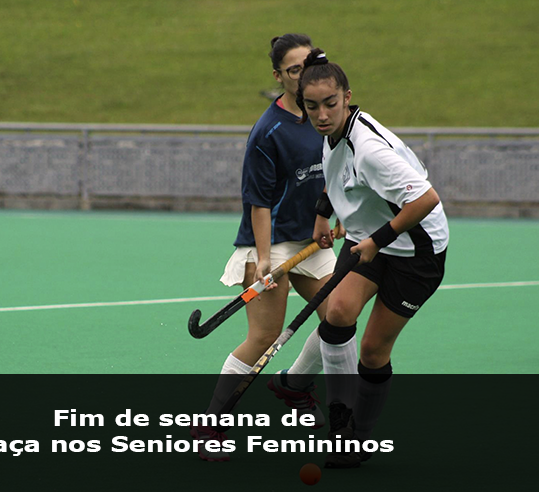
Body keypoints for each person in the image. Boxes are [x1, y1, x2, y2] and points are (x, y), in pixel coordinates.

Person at [293, 48, 449, 468]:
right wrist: (323, 213)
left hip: (415, 250)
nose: (321, 114)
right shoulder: (332, 132)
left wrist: (377, 241)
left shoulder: (369, 150)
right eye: (312, 106)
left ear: (347, 97)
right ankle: (340, 424)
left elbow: (426, 199)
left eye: (330, 103)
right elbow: (335, 173)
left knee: (373, 351)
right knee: (338, 313)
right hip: (371, 237)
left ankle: (360, 437)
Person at [191, 34, 341, 462]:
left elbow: (336, 172)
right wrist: (261, 261)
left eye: (308, 65)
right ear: (278, 76)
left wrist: (333, 216)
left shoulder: (325, 114)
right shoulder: (268, 130)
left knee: (339, 318)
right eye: (294, 70)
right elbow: (257, 202)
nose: (303, 75)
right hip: (269, 241)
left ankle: (293, 384)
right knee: (263, 336)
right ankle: (210, 426)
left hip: (311, 238)